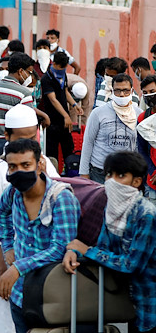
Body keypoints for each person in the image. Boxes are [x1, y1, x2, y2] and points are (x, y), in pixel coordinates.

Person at [0, 104, 59, 333]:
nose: (29, 143)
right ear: (7, 136)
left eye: (32, 136)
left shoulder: (46, 166)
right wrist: (5, 274)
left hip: (42, 267)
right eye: (22, 137)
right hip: (5, 266)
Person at [63, 151, 156, 333]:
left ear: (136, 182)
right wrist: (75, 251)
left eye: (120, 175)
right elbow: (103, 247)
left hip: (149, 305)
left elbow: (131, 264)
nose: (112, 181)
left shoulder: (146, 215)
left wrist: (87, 250)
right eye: (108, 175)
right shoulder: (112, 209)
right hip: (127, 303)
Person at [0, 138, 80, 333]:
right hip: (19, 295)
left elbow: (60, 249)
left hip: (51, 297)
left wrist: (17, 267)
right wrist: (7, 246)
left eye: (26, 165)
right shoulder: (13, 192)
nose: (19, 172)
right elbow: (0, 211)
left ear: (40, 164)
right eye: (12, 167)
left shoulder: (61, 199)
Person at [0, 53, 50, 163]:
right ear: (21, 71)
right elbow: (28, 124)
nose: (30, 76)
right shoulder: (24, 93)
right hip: (16, 144)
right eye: (29, 72)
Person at [80, 74, 143, 183]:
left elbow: (140, 146)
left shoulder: (139, 114)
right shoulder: (98, 113)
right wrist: (84, 173)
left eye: (126, 90)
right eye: (117, 91)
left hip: (127, 174)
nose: (122, 95)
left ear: (132, 91)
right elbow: (88, 142)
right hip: (100, 173)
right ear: (112, 91)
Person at [41, 52, 83, 171]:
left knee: (69, 150)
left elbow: (64, 91)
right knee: (52, 154)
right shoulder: (47, 78)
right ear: (54, 63)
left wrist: (74, 105)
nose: (63, 70)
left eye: (65, 68)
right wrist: (66, 116)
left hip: (64, 121)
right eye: (61, 67)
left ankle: (71, 172)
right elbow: (53, 99)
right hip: (52, 121)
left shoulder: (62, 75)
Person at [137, 75, 156, 205]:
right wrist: (153, 171)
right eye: (145, 93)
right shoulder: (143, 119)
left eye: (152, 91)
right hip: (153, 181)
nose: (149, 95)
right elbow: (142, 150)